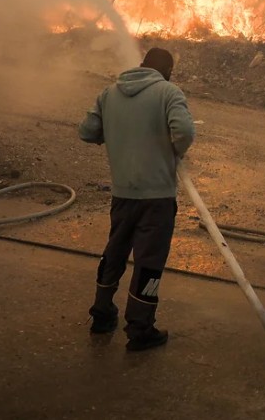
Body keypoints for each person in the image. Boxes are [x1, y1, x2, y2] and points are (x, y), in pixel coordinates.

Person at [78, 47, 195, 352]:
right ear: (166, 71)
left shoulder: (109, 93)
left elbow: (88, 131)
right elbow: (183, 131)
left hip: (122, 194)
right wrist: (174, 151)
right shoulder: (168, 92)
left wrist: (118, 133)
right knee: (149, 262)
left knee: (114, 252)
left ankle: (102, 314)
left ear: (142, 65)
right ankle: (140, 328)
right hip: (156, 197)